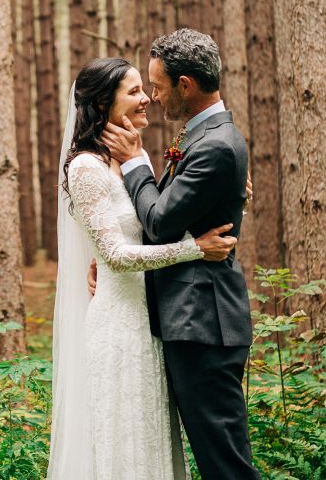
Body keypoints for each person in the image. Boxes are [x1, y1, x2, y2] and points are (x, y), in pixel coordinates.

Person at [47, 56, 239, 480]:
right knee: (124, 446)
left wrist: (228, 187)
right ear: (103, 104)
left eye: (145, 89)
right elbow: (116, 254)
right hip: (117, 329)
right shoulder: (85, 168)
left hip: (150, 326)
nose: (146, 100)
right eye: (133, 92)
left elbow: (157, 221)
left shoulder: (134, 160)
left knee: (151, 443)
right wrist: (195, 249)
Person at [100, 28, 259, 479]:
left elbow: (161, 220)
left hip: (203, 326)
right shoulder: (202, 137)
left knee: (225, 464)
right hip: (192, 321)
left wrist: (134, 161)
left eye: (159, 86)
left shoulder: (214, 146)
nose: (153, 95)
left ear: (185, 85)